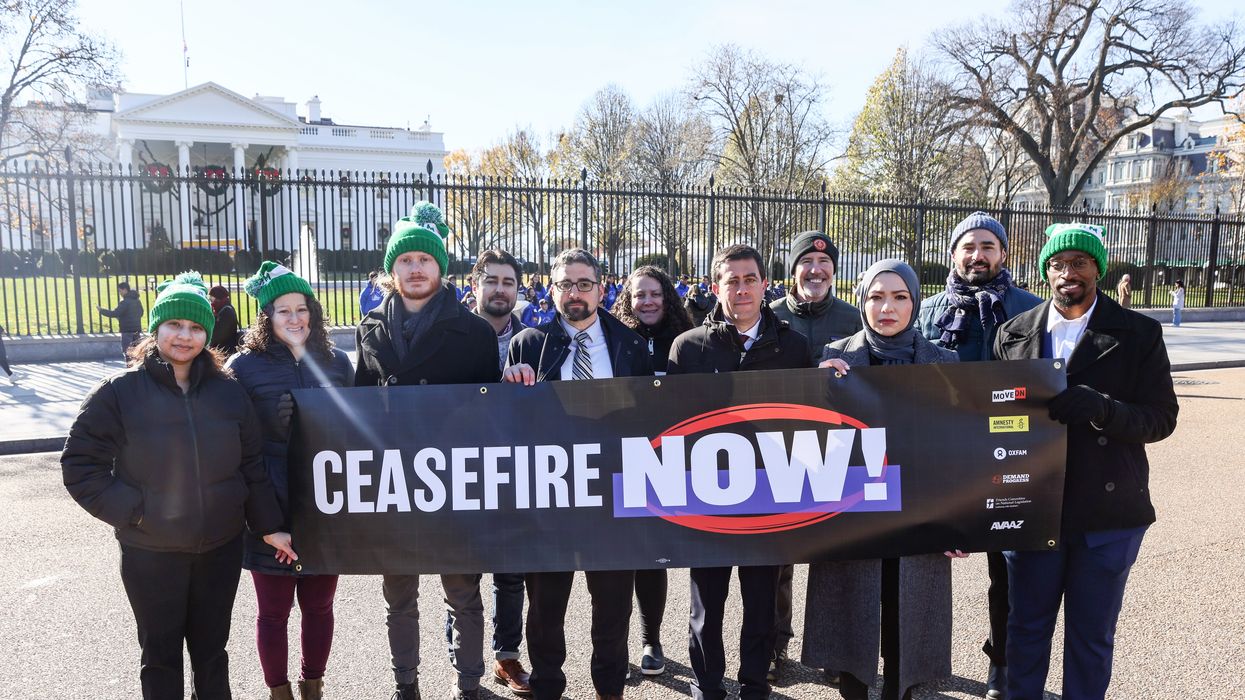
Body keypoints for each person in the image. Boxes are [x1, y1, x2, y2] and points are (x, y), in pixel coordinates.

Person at [62, 271, 294, 700]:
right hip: (151, 552)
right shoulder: (119, 393)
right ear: (156, 329)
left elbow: (251, 467)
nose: (184, 336)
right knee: (160, 656)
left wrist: (269, 525)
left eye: (195, 327)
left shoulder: (229, 393)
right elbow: (81, 466)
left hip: (219, 549)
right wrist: (136, 511)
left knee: (212, 654)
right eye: (174, 325)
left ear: (207, 332)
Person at [993, 223, 1178, 700]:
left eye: (1079, 262)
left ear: (1099, 268)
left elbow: (1161, 418)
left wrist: (1104, 410)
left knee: (1090, 639)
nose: (1067, 273)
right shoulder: (1013, 334)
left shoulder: (1138, 333)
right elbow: (990, 421)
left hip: (1107, 513)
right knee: (1026, 631)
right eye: (1057, 264)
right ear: (1044, 271)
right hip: (1034, 508)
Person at [354, 202, 501, 700]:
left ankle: (469, 685)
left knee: (463, 594)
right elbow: (357, 406)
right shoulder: (370, 328)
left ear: (440, 267)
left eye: (425, 259)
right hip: (393, 483)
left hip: (453, 482)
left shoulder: (476, 332)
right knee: (399, 596)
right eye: (405, 260)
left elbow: (490, 411)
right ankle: (406, 685)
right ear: (391, 270)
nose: (415, 268)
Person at [804, 259, 966, 700]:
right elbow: (812, 445)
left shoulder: (944, 362)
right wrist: (813, 392)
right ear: (862, 302)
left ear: (915, 302)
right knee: (852, 631)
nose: (887, 308)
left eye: (900, 297)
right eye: (876, 296)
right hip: (857, 517)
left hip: (918, 518)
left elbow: (957, 448)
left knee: (907, 629)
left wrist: (958, 520)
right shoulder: (834, 358)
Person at [503, 248, 651, 700]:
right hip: (551, 495)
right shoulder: (528, 343)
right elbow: (505, 424)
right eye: (565, 284)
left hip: (613, 494)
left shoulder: (629, 343)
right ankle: (548, 685)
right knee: (546, 606)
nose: (575, 293)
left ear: (601, 288)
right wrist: (510, 383)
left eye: (584, 284)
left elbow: (649, 417)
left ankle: (609, 687)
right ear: (551, 289)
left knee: (612, 605)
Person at [666, 244, 813, 700]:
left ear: (766, 285)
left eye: (750, 279)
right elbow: (669, 423)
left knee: (761, 603)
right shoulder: (688, 348)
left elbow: (810, 420)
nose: (742, 288)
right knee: (706, 605)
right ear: (716, 287)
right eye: (732, 280)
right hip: (707, 498)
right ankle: (708, 684)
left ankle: (754, 685)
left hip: (768, 497)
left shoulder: (794, 346)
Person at [916, 211, 1042, 699]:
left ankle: (1002, 666)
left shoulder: (1031, 308)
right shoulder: (927, 310)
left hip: (1009, 457)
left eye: (988, 246)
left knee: (1006, 574)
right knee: (922, 564)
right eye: (969, 246)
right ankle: (916, 660)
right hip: (943, 458)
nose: (978, 255)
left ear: (1004, 253)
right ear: (953, 253)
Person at [226, 262, 353, 700]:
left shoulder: (337, 363)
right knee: (273, 612)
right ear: (267, 316)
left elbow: (355, 433)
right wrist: (264, 521)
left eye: (303, 308)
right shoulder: (245, 366)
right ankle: (278, 690)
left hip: (324, 506)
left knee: (319, 606)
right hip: (270, 508)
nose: (295, 318)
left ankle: (312, 683)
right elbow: (239, 448)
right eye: (283, 310)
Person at [766, 230, 863, 681]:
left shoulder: (853, 317)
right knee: (777, 555)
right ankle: (774, 643)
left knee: (836, 553)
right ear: (793, 270)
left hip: (837, 448)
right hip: (778, 449)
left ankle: (837, 652)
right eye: (807, 263)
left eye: (824, 265)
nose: (816, 271)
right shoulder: (769, 316)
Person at [610, 265, 695, 677]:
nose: (647, 301)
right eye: (638, 294)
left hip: (663, 465)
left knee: (651, 558)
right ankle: (617, 644)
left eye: (655, 293)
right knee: (616, 560)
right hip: (617, 460)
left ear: (667, 297)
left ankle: (651, 640)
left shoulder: (684, 343)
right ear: (628, 299)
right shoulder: (612, 341)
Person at [468, 248, 534, 695]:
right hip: (464, 464)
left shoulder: (534, 338)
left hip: (514, 466)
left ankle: (506, 654)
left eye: (508, 282)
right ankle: (467, 661)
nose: (499, 289)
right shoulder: (452, 334)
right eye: (491, 280)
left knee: (512, 571)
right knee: (463, 571)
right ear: (476, 286)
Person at [98, 280, 144, 358]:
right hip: (136, 330)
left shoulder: (125, 302)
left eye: (120, 291)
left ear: (125, 289)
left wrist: (102, 311)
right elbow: (141, 313)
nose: (120, 293)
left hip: (127, 331)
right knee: (137, 353)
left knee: (128, 353)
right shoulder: (137, 301)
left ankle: (130, 369)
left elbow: (115, 313)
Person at [208, 285, 240, 356]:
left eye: (212, 299)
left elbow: (217, 336)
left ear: (218, 298)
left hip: (225, 352)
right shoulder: (223, 309)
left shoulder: (227, 311)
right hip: (222, 350)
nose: (211, 302)